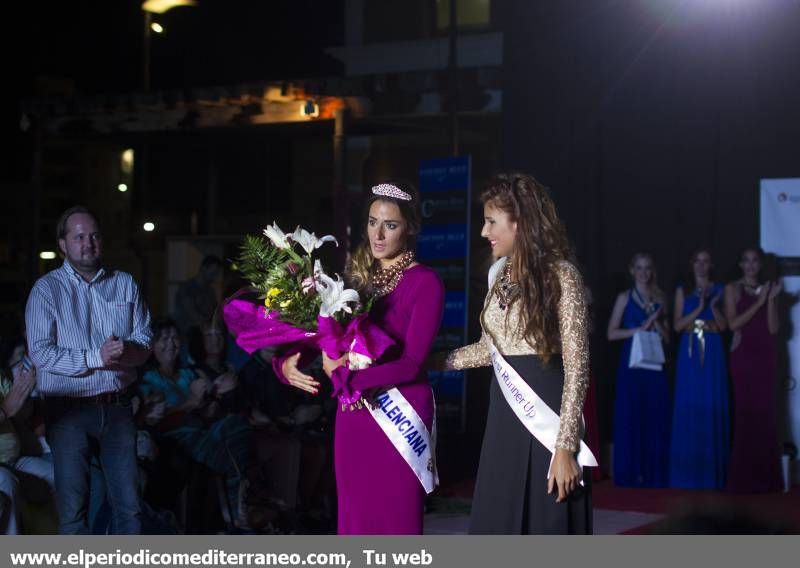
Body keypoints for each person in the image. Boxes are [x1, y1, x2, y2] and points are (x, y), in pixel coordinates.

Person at [278, 181, 444, 535]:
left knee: (395, 522)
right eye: (372, 222)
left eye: (391, 225)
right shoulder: (357, 280)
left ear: (410, 228)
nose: (378, 234)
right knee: (355, 521)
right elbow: (326, 330)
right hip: (353, 415)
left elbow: (412, 362)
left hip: (396, 414)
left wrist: (347, 379)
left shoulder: (426, 282)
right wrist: (289, 359)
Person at [444, 172, 594, 534]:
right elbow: (489, 349)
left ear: (520, 222)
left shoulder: (562, 276)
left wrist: (564, 447)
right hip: (504, 416)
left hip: (547, 419)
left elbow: (578, 367)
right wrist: (438, 361)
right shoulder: (498, 276)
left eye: (491, 221)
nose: (484, 232)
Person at [25, 205, 152, 534]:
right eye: (79, 236)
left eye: (94, 235)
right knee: (74, 508)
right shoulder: (46, 290)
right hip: (68, 410)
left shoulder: (124, 284)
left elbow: (144, 341)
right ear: (63, 245)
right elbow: (41, 354)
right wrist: (96, 357)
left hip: (118, 405)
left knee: (130, 507)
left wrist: (129, 350)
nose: (88, 242)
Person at [138, 317, 252, 530]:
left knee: (237, 424)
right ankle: (238, 509)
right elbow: (155, 422)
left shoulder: (188, 373)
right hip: (175, 437)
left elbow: (207, 414)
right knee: (226, 454)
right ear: (151, 345)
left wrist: (216, 394)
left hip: (201, 429)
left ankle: (239, 503)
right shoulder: (148, 378)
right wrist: (189, 403)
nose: (171, 344)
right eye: (163, 339)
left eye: (174, 338)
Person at [607, 253, 671, 487]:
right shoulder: (624, 298)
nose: (644, 273)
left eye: (648, 268)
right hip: (631, 363)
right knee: (631, 414)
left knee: (655, 414)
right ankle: (629, 473)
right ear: (632, 271)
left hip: (654, 363)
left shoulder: (660, 297)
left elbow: (667, 338)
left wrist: (656, 324)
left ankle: (654, 473)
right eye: (639, 268)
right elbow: (611, 333)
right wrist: (638, 330)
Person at [724, 247, 783, 493]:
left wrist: (768, 299)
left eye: (754, 261)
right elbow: (733, 323)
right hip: (743, 356)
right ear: (740, 264)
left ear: (759, 265)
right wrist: (760, 300)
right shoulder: (732, 289)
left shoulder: (769, 289)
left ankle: (766, 480)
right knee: (746, 414)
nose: (750, 265)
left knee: (765, 415)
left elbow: (773, 329)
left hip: (765, 356)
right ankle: (743, 480)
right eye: (745, 261)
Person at [669, 249, 729, 489]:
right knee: (689, 403)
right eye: (697, 261)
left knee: (712, 403)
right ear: (692, 264)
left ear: (710, 265)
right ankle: (688, 474)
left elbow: (724, 326)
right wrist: (699, 306)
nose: (701, 266)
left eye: (706, 261)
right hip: (690, 349)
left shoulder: (721, 290)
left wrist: (713, 306)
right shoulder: (683, 291)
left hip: (713, 348)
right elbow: (677, 325)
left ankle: (713, 473)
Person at [173, 255, 222, 340]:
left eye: (216, 273)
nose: (215, 276)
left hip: (204, 336)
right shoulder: (187, 288)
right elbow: (192, 314)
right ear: (204, 268)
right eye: (213, 272)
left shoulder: (210, 290)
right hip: (187, 337)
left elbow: (215, 312)